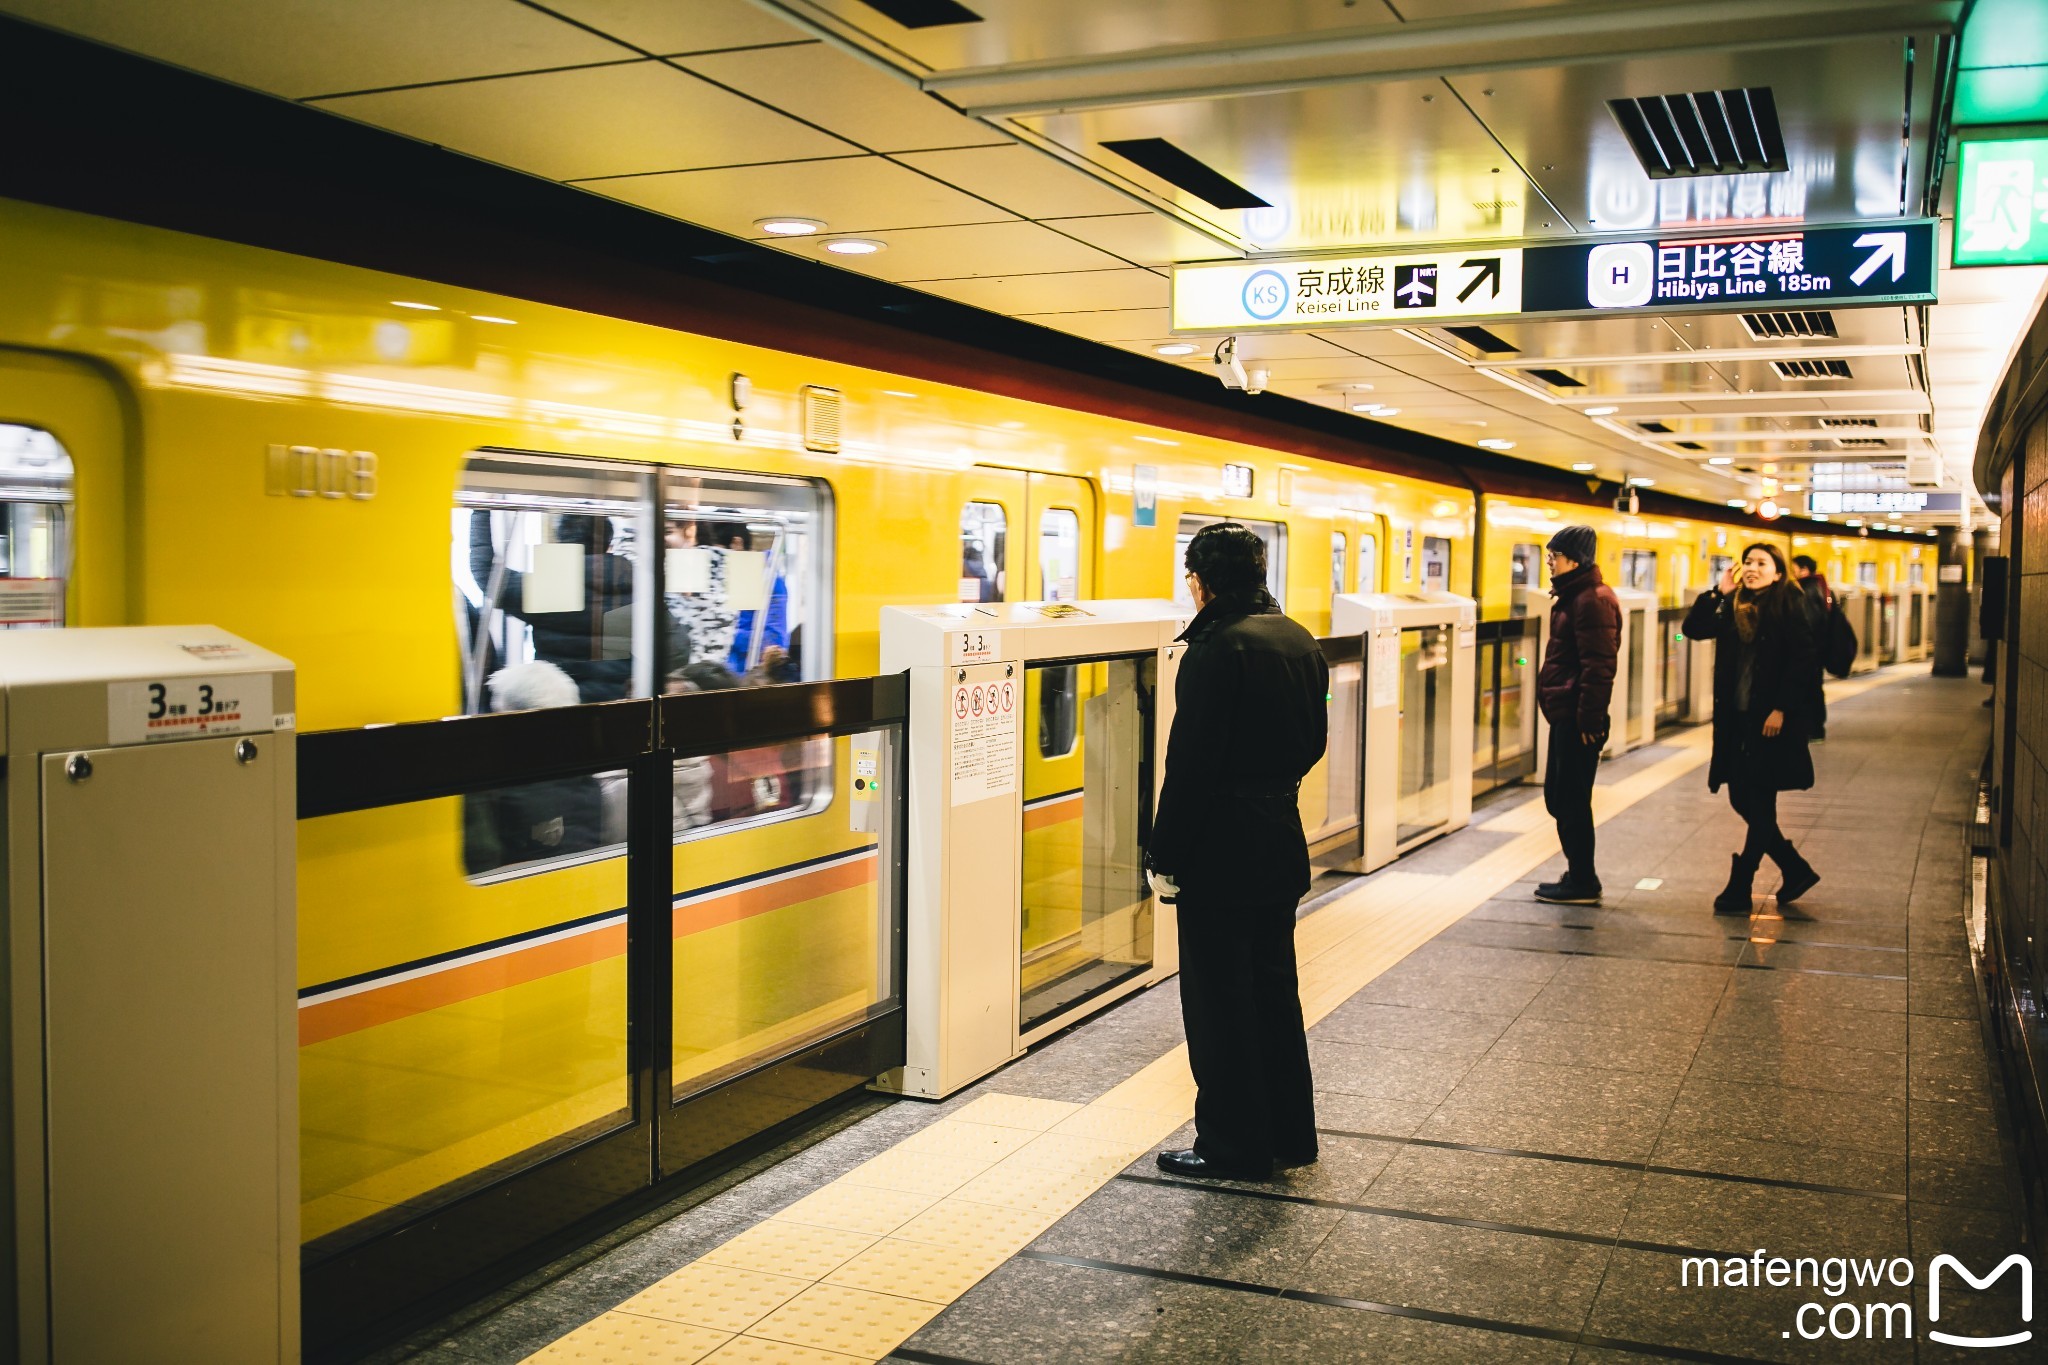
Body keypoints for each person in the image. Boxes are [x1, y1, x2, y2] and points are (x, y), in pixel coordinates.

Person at [1145, 523, 1328, 1181]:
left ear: (1203, 579)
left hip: (1220, 855)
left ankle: (1231, 1144)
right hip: (1280, 839)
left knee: (1221, 1002)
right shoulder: (1298, 638)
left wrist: (1165, 856)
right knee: (1276, 992)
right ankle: (1289, 1133)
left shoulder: (1216, 649)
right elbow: (1314, 741)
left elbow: (1189, 767)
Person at [1682, 542, 1820, 916]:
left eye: (1762, 562)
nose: (1753, 568)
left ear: (1778, 572)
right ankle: (1794, 869)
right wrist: (1718, 592)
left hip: (1770, 721)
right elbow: (1693, 628)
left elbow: (1803, 661)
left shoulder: (1788, 604)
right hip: (1736, 720)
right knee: (1742, 799)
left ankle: (1741, 882)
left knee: (1758, 800)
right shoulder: (1733, 605)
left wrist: (1782, 709)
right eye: (1748, 562)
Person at [1534, 525, 1620, 906]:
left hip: (1577, 718)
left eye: (1555, 556)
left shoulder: (1591, 600)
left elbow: (1599, 665)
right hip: (1568, 714)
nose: (1549, 562)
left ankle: (1584, 880)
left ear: (1576, 560)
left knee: (1568, 798)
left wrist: (1589, 720)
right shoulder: (1575, 596)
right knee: (1561, 796)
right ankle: (1579, 872)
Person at [1791, 554, 1832, 740]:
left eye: (1793, 569)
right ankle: (1816, 726)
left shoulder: (1806, 590)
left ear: (1804, 570)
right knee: (1814, 688)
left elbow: (1809, 622)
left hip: (1811, 650)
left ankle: (1813, 728)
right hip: (1818, 648)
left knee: (1809, 689)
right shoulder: (1820, 586)